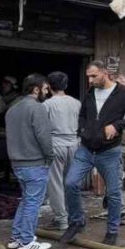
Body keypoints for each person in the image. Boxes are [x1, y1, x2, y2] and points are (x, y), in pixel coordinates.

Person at [62, 61, 125, 246]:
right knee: (70, 182)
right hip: (86, 149)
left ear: (105, 73)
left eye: (93, 76)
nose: (89, 80)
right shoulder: (90, 92)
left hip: (109, 151)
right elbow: (82, 114)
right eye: (88, 77)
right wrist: (82, 129)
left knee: (113, 192)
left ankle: (112, 230)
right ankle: (77, 221)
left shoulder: (122, 93)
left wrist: (116, 126)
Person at [5, 73, 54, 249]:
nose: (47, 92)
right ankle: (27, 241)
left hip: (17, 163)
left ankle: (16, 237)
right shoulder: (37, 108)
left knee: (26, 200)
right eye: (45, 88)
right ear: (36, 89)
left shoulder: (12, 109)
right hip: (34, 163)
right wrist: (50, 155)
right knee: (33, 203)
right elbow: (44, 136)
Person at [43, 71, 81, 231]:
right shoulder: (76, 103)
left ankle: (61, 219)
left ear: (49, 86)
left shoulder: (47, 105)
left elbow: (42, 128)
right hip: (74, 143)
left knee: (55, 183)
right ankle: (75, 216)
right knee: (71, 182)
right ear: (65, 85)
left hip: (55, 143)